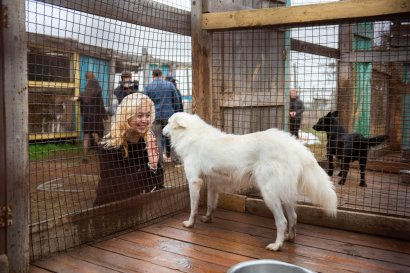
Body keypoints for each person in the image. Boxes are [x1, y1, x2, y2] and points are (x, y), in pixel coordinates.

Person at [93, 93, 164, 206]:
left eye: (148, 115)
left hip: (141, 209)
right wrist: (150, 167)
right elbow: (121, 187)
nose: (145, 120)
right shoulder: (109, 146)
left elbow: (159, 184)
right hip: (110, 209)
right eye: (139, 116)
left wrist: (155, 168)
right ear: (126, 116)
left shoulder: (147, 141)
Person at [144, 69, 179, 164]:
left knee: (157, 139)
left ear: (152, 75)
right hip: (169, 116)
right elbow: (176, 99)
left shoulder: (148, 87)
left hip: (155, 116)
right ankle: (176, 160)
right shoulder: (169, 85)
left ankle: (159, 162)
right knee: (172, 138)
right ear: (161, 75)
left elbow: (145, 103)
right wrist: (175, 112)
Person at [73, 72, 108, 164]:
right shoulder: (98, 89)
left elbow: (81, 101)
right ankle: (101, 156)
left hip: (87, 117)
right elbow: (100, 104)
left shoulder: (85, 91)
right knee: (97, 135)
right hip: (96, 117)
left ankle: (85, 156)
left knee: (86, 135)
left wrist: (82, 113)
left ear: (86, 79)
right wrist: (104, 115)